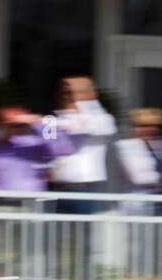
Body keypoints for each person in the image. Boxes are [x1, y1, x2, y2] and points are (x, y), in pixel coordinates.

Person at [49, 75, 117, 213]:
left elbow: (78, 126)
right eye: (65, 92)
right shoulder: (57, 118)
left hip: (86, 189)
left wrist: (42, 122)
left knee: (84, 233)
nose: (68, 96)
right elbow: (48, 142)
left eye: (72, 92)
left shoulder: (102, 119)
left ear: (90, 94)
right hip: (60, 187)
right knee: (58, 233)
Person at [0, 106, 73, 195]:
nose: (15, 129)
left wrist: (38, 121)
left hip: (31, 203)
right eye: (10, 124)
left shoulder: (34, 143)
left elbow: (63, 149)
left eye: (20, 125)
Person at [111, 107, 162, 212]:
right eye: (143, 125)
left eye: (155, 126)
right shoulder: (124, 146)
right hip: (136, 204)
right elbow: (137, 178)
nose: (150, 129)